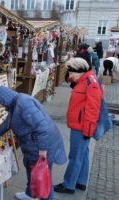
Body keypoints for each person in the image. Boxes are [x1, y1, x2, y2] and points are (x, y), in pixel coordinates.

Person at [0, 86, 67, 200]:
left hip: (41, 146)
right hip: (31, 145)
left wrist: (42, 150)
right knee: (31, 168)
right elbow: (9, 122)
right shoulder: (15, 104)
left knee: (43, 178)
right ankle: (30, 194)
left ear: (5, 99)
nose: (1, 107)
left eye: (0, 104)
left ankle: (45, 198)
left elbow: (42, 128)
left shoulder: (23, 104)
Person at [54, 58, 103, 194]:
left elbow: (93, 109)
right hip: (80, 124)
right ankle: (81, 181)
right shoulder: (85, 79)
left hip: (81, 126)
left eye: (71, 73)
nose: (70, 76)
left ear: (79, 71)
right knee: (83, 153)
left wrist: (88, 130)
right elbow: (74, 80)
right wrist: (71, 77)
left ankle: (68, 184)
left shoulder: (90, 83)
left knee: (75, 156)